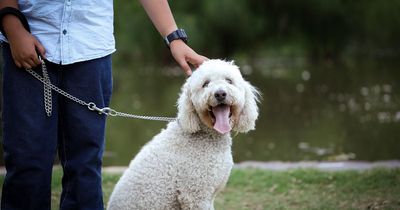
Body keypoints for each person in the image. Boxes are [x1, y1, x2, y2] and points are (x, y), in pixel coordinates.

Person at [0, 0, 207, 209]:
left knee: (85, 165)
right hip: (27, 47)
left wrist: (174, 38)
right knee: (27, 163)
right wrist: (12, 24)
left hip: (91, 50)